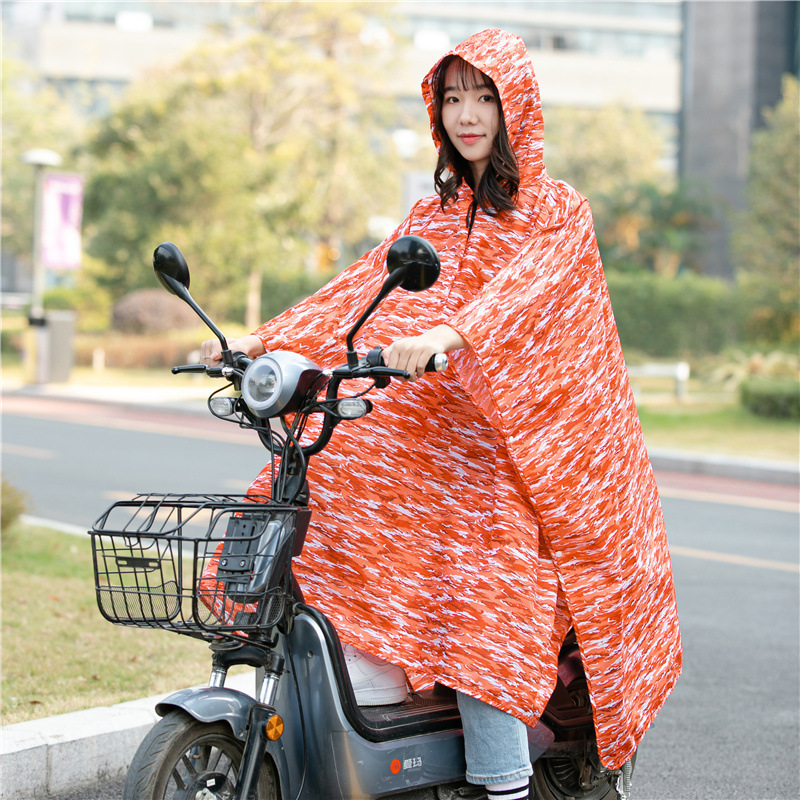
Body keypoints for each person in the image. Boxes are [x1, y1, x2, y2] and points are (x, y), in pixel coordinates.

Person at [201, 28, 682, 800]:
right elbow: (360, 292)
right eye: (452, 97)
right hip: (430, 434)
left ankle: (503, 784)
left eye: (483, 96)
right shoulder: (433, 210)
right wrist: (252, 344)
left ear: (514, 103)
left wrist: (450, 333)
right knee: (313, 483)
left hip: (514, 450)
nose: (466, 114)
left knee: (485, 585)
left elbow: (526, 296)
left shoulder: (558, 212)